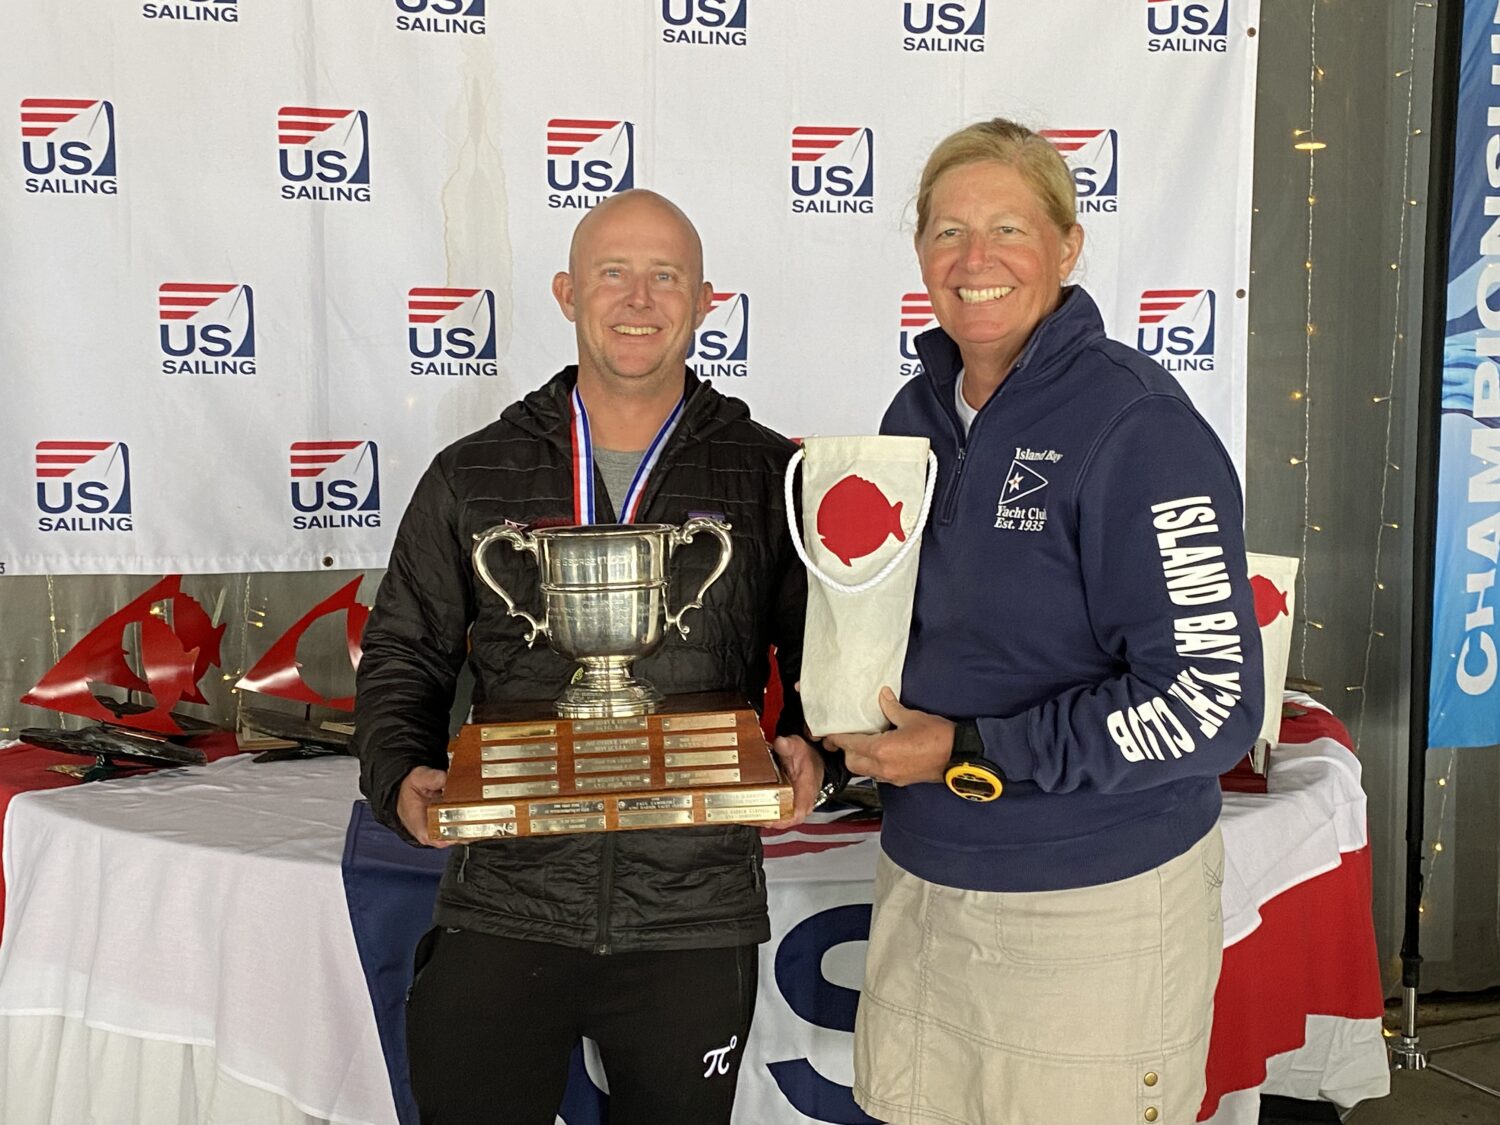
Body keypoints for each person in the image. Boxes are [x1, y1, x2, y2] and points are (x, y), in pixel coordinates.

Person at [353, 189, 828, 1125]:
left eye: (666, 277)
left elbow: (824, 649)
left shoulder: (769, 473)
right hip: (506, 896)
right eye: (615, 272)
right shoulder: (474, 472)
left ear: (704, 303)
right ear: (569, 292)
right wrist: (398, 766)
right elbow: (404, 649)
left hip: (692, 906)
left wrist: (818, 745)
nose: (639, 298)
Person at [823, 119, 1265, 1125]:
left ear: (1066, 247)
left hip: (1092, 910)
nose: (973, 261)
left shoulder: (1138, 427)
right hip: (924, 883)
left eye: (1008, 229)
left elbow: (1212, 704)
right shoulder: (916, 412)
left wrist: (972, 748)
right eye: (946, 233)